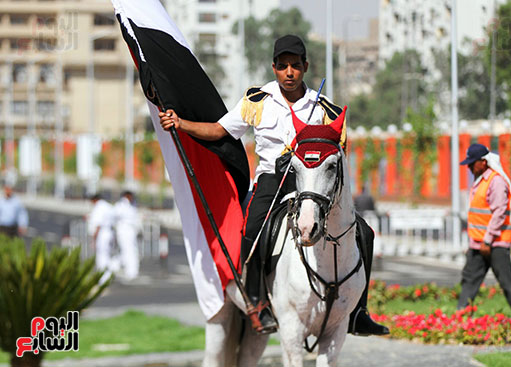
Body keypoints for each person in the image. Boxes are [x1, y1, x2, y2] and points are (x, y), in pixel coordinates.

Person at [159, 34, 388, 336]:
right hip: (271, 181)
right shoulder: (258, 101)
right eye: (283, 66)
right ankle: (257, 303)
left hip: (311, 182)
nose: (289, 72)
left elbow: (338, 152)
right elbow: (219, 130)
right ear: (274, 68)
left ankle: (358, 312)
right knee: (253, 231)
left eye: (295, 65)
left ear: (305, 66)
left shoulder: (323, 108)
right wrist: (180, 123)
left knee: (364, 233)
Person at [457, 143, 511, 317]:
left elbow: (499, 213)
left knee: (507, 283)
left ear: (483, 162)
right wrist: (475, 242)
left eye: (472, 163)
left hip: (495, 243)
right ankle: (461, 318)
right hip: (479, 244)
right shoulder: (480, 181)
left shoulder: (495, 182)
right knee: (469, 280)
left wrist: (487, 240)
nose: (469, 167)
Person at [87, 194, 116, 284]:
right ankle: (108, 275)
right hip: (110, 232)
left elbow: (98, 224)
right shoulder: (108, 206)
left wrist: (94, 239)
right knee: (107, 255)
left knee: (101, 256)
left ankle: (103, 278)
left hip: (102, 233)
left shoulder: (99, 207)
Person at [114, 191, 142, 281]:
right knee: (128, 251)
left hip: (131, 231)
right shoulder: (120, 206)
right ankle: (130, 271)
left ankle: (130, 270)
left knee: (130, 251)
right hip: (124, 230)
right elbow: (115, 217)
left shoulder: (132, 205)